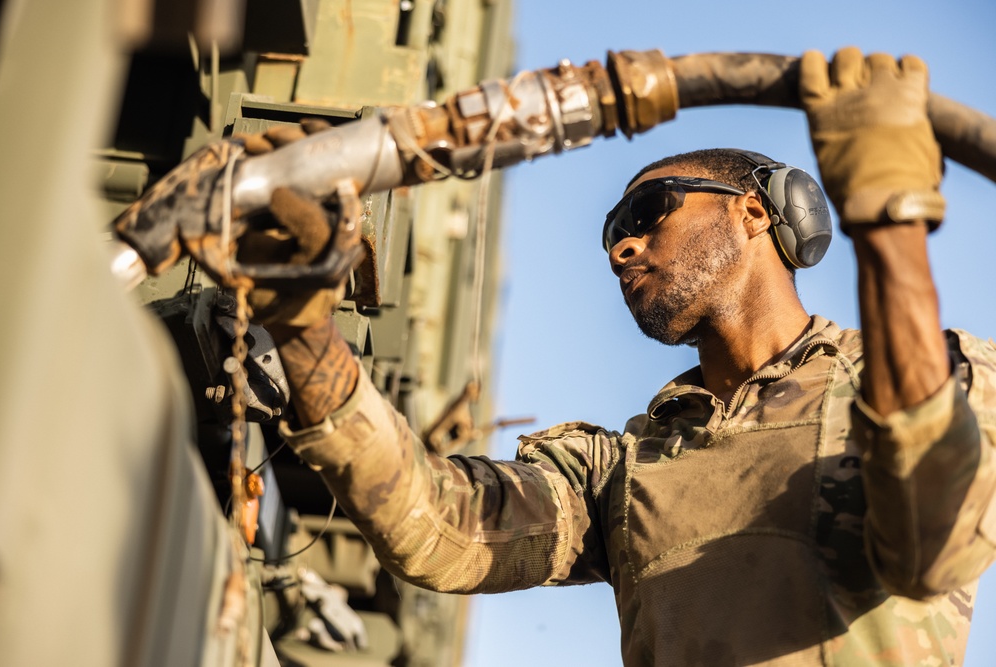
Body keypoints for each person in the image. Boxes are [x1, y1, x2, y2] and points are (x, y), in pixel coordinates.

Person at [260, 48, 996, 665]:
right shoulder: (621, 471)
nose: (621, 247)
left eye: (650, 212)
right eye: (613, 230)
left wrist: (888, 214)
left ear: (754, 212)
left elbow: (932, 546)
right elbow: (436, 524)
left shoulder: (942, 377)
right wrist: (301, 326)